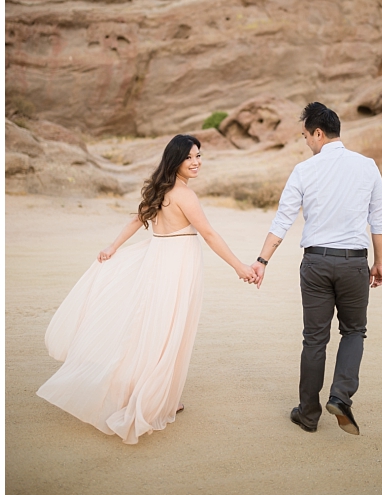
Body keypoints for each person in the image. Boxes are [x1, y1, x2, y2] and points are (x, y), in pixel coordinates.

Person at [37, 134, 257, 444]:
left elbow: (137, 219)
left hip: (157, 262)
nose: (196, 162)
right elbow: (208, 234)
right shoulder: (184, 195)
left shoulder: (161, 189)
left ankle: (158, 395)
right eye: (189, 157)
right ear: (176, 161)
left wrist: (113, 246)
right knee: (169, 331)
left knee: (152, 327)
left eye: (198, 156)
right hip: (177, 268)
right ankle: (156, 399)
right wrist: (239, 266)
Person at [250, 102, 382, 435]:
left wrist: (262, 260)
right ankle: (340, 395)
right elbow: (378, 221)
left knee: (314, 339)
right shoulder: (367, 166)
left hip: (316, 262)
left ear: (318, 133)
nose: (306, 143)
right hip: (354, 262)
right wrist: (379, 262)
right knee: (354, 331)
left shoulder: (304, 171)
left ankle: (308, 415)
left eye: (305, 136)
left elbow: (283, 220)